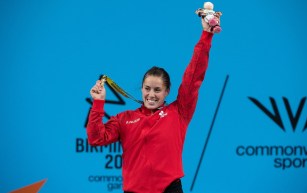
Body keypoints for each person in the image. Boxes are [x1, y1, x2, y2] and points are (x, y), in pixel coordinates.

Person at [87, 17, 218, 193]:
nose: (151, 94)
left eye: (157, 90)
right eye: (147, 88)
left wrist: (206, 35)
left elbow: (194, 76)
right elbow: (96, 138)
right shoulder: (124, 119)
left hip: (169, 189)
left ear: (167, 92)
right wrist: (98, 103)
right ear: (141, 89)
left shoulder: (179, 112)